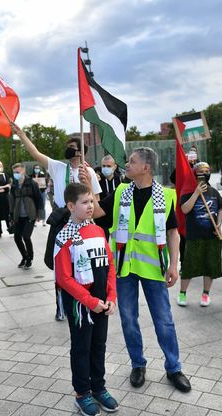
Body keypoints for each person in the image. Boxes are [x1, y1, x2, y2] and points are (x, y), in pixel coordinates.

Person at [84, 147, 192, 393]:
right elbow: (100, 213)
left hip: (154, 270)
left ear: (146, 167)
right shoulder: (122, 191)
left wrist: (174, 264)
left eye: (132, 162)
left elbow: (173, 232)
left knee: (163, 321)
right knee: (129, 320)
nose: (126, 165)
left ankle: (174, 368)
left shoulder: (166, 195)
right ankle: (138, 364)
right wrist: (89, 186)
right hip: (125, 268)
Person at [12, 124, 102, 322]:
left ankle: (85, 299)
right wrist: (22, 135)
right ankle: (61, 305)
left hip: (83, 224)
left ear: (80, 151)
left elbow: (96, 205)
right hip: (62, 221)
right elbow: (36, 153)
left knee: (80, 264)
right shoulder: (59, 168)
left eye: (72, 146)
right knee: (60, 265)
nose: (68, 149)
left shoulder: (89, 173)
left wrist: (87, 183)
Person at [54, 183, 118, 416]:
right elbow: (64, 277)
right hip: (80, 305)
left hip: (102, 302)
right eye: (84, 202)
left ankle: (99, 388)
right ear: (71, 206)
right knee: (82, 348)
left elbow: (109, 265)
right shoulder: (64, 237)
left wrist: (111, 296)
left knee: (99, 345)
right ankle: (82, 393)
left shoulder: (99, 231)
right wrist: (89, 301)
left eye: (91, 201)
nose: (90, 206)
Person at [178, 162, 222, 307]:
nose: (204, 174)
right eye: (201, 171)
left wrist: (218, 223)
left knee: (210, 266)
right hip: (194, 237)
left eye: (206, 171)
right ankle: (182, 293)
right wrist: (196, 193)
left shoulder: (214, 192)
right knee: (189, 267)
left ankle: (206, 294)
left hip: (212, 236)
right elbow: (185, 209)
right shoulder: (188, 191)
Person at [10, 163, 43, 269]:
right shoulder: (14, 185)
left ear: (23, 171)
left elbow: (39, 198)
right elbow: (12, 201)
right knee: (17, 238)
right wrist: (11, 216)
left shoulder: (31, 183)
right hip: (18, 216)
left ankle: (30, 258)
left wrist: (39, 214)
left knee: (26, 236)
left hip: (30, 215)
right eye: (14, 172)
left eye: (18, 172)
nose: (16, 174)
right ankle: (24, 257)